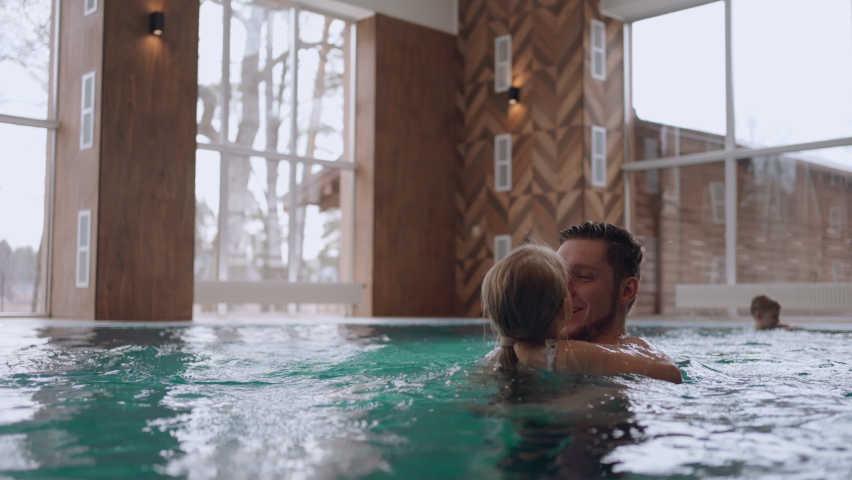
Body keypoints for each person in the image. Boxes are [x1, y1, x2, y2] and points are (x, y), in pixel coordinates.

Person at [482, 243, 682, 383]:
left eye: (584, 276)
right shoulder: (565, 355)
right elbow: (669, 372)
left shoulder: (499, 358)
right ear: (563, 308)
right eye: (560, 281)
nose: (568, 290)